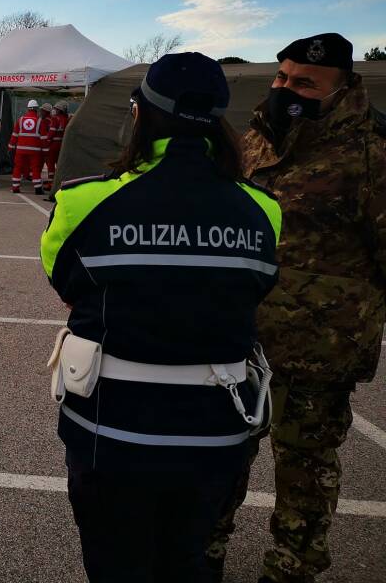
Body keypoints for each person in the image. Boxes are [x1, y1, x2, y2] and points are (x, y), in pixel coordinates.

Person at [41, 52, 282, 583]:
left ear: (139, 113)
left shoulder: (85, 201)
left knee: (116, 565)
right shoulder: (264, 208)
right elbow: (257, 286)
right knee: (187, 560)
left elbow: (64, 283)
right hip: (215, 431)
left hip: (111, 430)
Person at [206, 33, 386, 583]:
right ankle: (204, 551)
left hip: (321, 346)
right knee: (222, 452)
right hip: (243, 338)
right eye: (283, 78)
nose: (288, 89)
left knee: (304, 465)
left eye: (306, 82)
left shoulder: (371, 153)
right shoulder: (257, 138)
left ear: (344, 87)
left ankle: (292, 567)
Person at [9, 99, 46, 194]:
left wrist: (11, 147)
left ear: (28, 108)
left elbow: (14, 135)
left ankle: (15, 188)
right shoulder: (39, 121)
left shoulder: (20, 120)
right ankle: (38, 189)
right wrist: (45, 150)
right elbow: (43, 138)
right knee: (35, 168)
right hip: (35, 151)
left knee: (17, 168)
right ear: (36, 109)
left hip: (21, 150)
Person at [43, 100, 69, 190]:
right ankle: (60, 183)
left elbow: (51, 132)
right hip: (62, 145)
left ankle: (51, 184)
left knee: (50, 165)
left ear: (60, 110)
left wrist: (47, 141)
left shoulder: (55, 119)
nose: (55, 110)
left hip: (53, 145)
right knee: (59, 165)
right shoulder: (67, 119)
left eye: (56, 108)